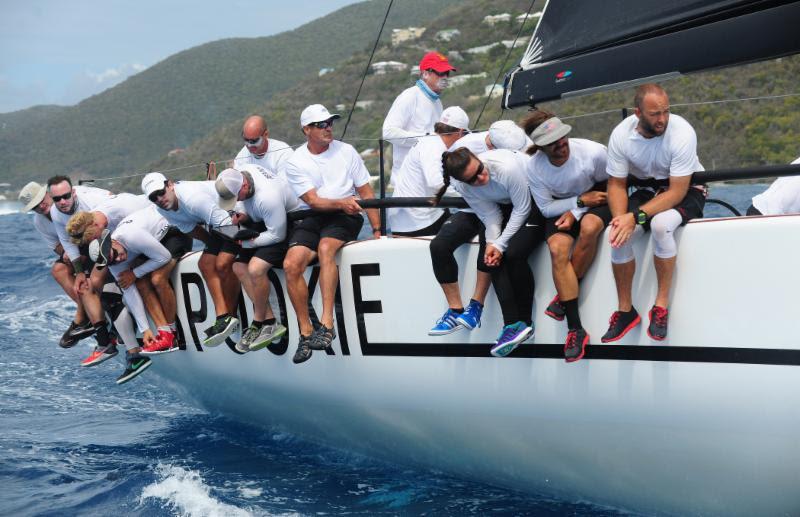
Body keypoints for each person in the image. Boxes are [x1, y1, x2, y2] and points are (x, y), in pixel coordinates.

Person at [603, 83, 706, 342]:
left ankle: (660, 307)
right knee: (617, 236)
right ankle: (625, 311)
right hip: (649, 188)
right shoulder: (620, 134)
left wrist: (635, 217)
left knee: (661, 225)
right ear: (638, 113)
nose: (662, 119)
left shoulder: (682, 132)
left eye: (666, 112)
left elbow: (676, 193)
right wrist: (620, 219)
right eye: (655, 114)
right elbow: (616, 184)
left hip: (686, 187)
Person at [283, 104, 381, 364]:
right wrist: (341, 201)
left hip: (345, 216)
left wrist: (378, 232)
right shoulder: (295, 161)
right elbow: (313, 201)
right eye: (321, 124)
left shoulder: (347, 151)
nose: (328, 128)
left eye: (330, 123)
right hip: (315, 214)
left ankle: (327, 323)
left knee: (326, 249)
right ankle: (305, 331)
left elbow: (366, 192)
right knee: (291, 264)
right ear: (307, 130)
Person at [435, 147, 544, 357]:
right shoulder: (462, 186)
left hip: (533, 200)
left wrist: (501, 244)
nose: (481, 178)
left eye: (480, 170)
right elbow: (491, 215)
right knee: (491, 258)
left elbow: (522, 208)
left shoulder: (507, 168)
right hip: (504, 207)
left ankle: (525, 321)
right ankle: (512, 325)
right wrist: (493, 245)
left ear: (479, 158)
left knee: (512, 254)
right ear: (462, 182)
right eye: (473, 179)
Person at [525, 112, 610, 362]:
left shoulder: (593, 153)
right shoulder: (534, 167)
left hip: (597, 201)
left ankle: (564, 298)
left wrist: (579, 210)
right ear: (540, 147)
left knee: (590, 228)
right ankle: (576, 329)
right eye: (554, 144)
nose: (562, 147)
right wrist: (576, 205)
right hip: (567, 206)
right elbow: (545, 209)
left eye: (564, 140)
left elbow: (614, 186)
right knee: (557, 249)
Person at [141, 172, 239, 346]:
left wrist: (242, 246)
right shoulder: (162, 209)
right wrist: (212, 247)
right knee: (205, 263)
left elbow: (228, 226)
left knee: (223, 263)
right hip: (219, 224)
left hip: (234, 214)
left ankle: (230, 316)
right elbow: (192, 230)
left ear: (170, 185)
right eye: (154, 197)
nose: (160, 199)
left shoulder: (192, 198)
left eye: (161, 192)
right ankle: (223, 317)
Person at [214, 164, 300, 353]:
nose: (236, 201)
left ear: (244, 186)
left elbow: (277, 235)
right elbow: (247, 209)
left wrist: (245, 244)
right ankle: (270, 322)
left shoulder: (267, 197)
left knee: (255, 268)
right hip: (262, 223)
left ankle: (258, 321)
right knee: (238, 267)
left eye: (237, 198)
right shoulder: (240, 174)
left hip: (287, 226)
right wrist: (240, 219)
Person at [86, 205, 192, 353]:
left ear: (113, 242)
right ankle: (164, 333)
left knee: (157, 279)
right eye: (112, 262)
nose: (118, 260)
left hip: (174, 233)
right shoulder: (113, 261)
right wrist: (145, 329)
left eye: (115, 254)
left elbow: (164, 257)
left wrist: (134, 273)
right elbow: (128, 290)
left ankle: (172, 334)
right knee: (141, 283)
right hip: (155, 242)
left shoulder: (131, 236)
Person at [47, 175, 119, 358]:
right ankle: (97, 323)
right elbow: (67, 242)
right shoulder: (56, 213)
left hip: (118, 233)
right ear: (51, 198)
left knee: (93, 282)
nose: (62, 202)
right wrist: (79, 272)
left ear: (73, 192)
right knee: (85, 284)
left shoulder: (91, 200)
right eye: (57, 199)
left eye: (65, 196)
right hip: (92, 240)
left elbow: (115, 205)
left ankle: (96, 320)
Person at [18, 182, 94, 348]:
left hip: (95, 239)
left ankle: (84, 316)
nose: (41, 206)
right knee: (58, 269)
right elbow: (56, 247)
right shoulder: (39, 221)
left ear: (48, 193)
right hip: (75, 250)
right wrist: (66, 253)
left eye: (41, 200)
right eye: (35, 206)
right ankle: (90, 313)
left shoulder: (70, 201)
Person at [389, 106, 470, 236]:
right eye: (465, 134)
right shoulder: (435, 146)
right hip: (420, 221)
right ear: (460, 132)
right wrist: (470, 195)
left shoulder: (429, 141)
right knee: (471, 222)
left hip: (404, 220)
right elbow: (436, 183)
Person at [383, 51, 455, 177]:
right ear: (425, 74)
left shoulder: (437, 102)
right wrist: (425, 139)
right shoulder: (410, 96)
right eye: (440, 73)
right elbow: (388, 132)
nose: (445, 77)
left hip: (430, 177)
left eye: (447, 73)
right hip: (406, 180)